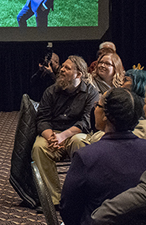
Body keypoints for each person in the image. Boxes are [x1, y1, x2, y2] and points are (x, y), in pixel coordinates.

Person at [60, 88, 146, 225]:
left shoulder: (86, 156)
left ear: (105, 115)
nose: (95, 108)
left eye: (98, 105)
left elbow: (68, 209)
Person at [31, 55, 99, 206]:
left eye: (67, 68)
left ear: (79, 74)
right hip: (53, 133)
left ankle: (81, 196)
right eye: (62, 66)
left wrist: (63, 136)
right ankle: (53, 200)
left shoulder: (90, 93)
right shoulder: (51, 91)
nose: (61, 69)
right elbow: (42, 119)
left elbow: (87, 122)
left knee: (80, 142)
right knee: (39, 147)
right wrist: (51, 137)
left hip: (75, 133)